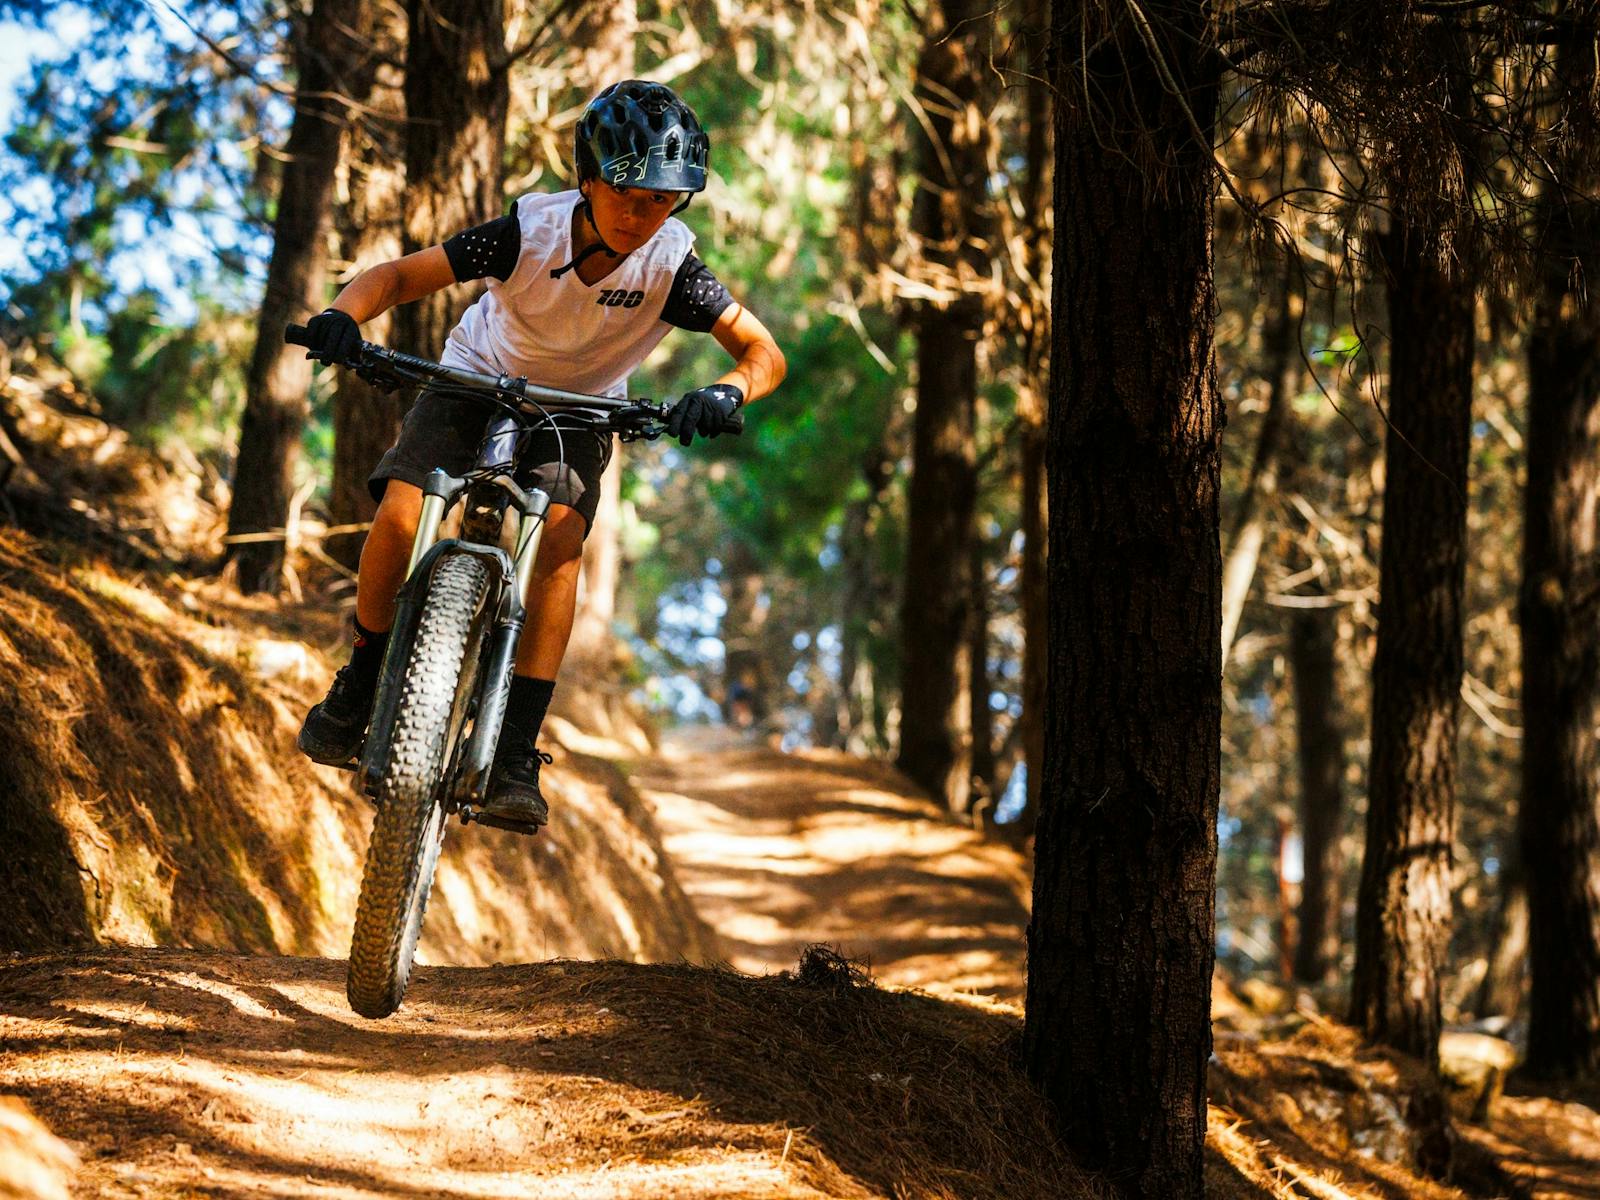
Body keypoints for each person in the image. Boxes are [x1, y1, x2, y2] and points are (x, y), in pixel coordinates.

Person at [294, 80, 786, 829]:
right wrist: (341, 316)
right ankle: (362, 676)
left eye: (662, 200)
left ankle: (517, 751)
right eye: (627, 193)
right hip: (473, 378)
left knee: (560, 540)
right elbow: (397, 277)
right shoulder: (528, 233)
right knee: (400, 509)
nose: (642, 214)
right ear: (587, 179)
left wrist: (726, 393)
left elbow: (762, 351)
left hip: (582, 408)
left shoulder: (673, 268)